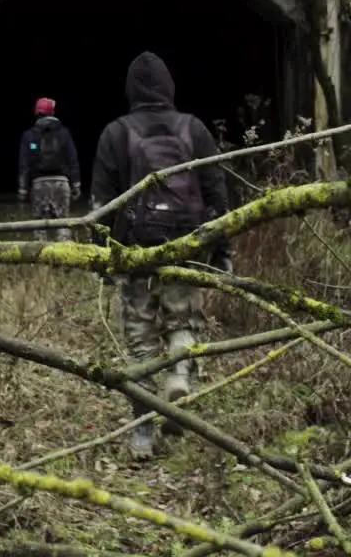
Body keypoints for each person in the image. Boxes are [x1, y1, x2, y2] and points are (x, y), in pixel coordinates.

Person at [89, 51, 233, 460]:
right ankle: (181, 373)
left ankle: (141, 435)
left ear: (131, 90)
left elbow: (102, 201)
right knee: (183, 319)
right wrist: (221, 249)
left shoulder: (115, 133)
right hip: (186, 244)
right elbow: (216, 194)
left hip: (136, 249)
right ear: (169, 87)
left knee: (139, 339)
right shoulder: (194, 129)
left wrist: (103, 259)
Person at [18, 98, 82, 240]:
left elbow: (24, 165)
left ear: (36, 113)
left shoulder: (29, 136)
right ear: (52, 112)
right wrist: (76, 183)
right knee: (63, 223)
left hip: (38, 185)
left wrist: (23, 189)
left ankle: (41, 256)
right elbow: (72, 159)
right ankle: (65, 256)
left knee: (39, 226)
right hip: (61, 183)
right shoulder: (64, 133)